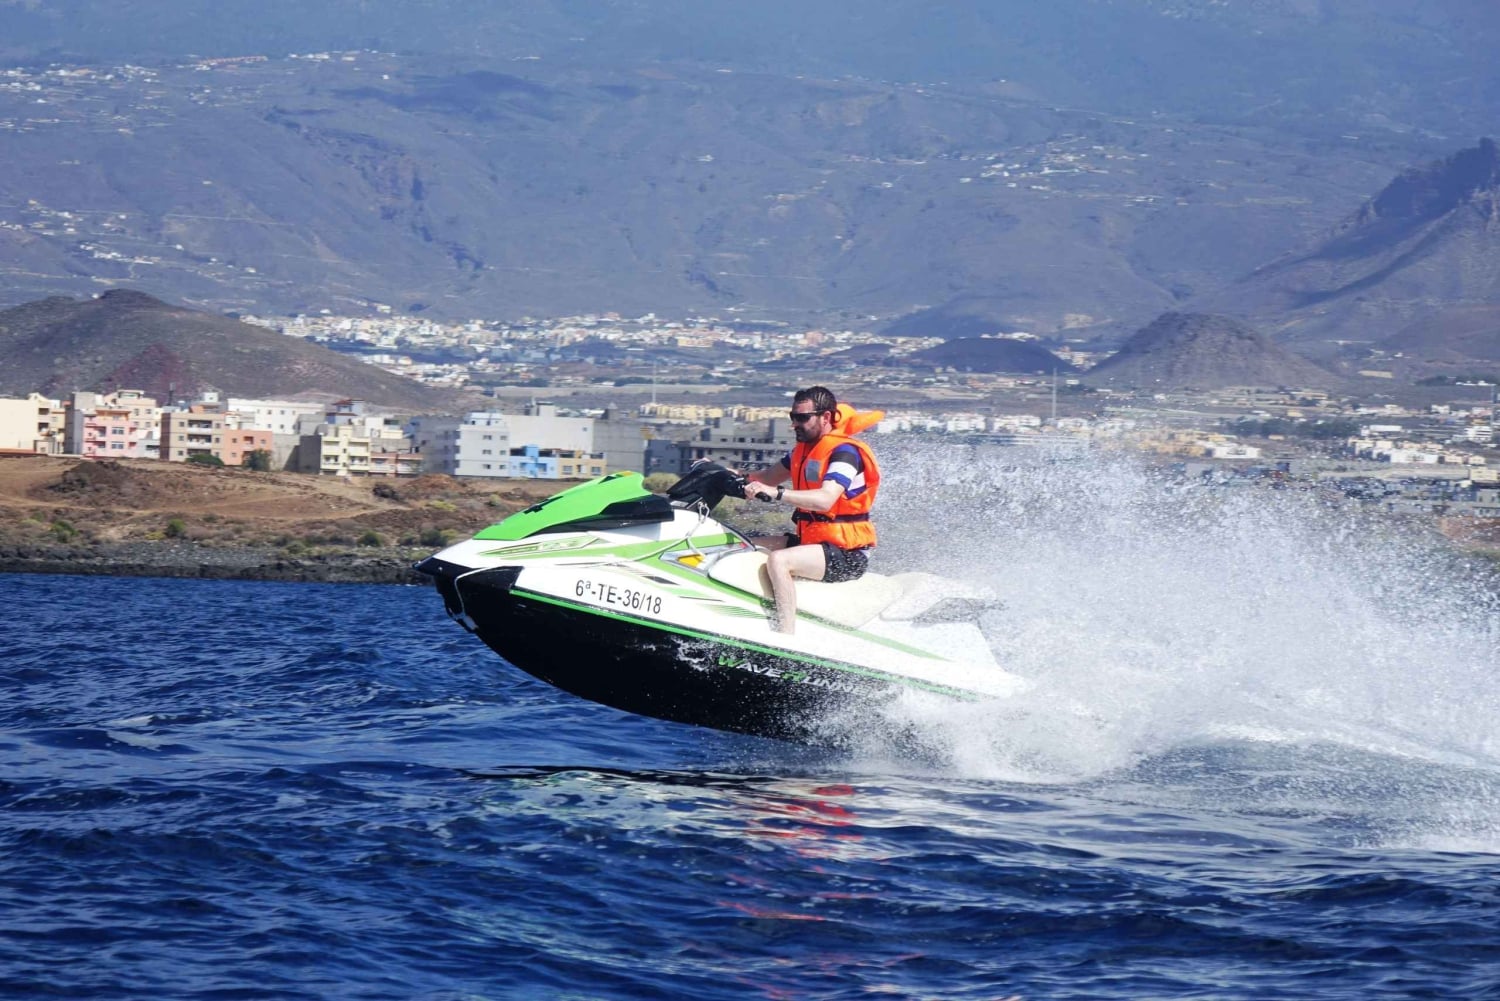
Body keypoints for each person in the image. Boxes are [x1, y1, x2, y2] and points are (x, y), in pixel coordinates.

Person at [741, 386, 883, 633]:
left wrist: (779, 494)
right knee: (743, 543)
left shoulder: (845, 453)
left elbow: (826, 499)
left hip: (847, 554)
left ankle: (785, 636)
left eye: (802, 418)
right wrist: (724, 474)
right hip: (813, 543)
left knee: (779, 560)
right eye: (792, 417)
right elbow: (766, 478)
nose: (795, 424)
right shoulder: (802, 451)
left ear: (825, 417)